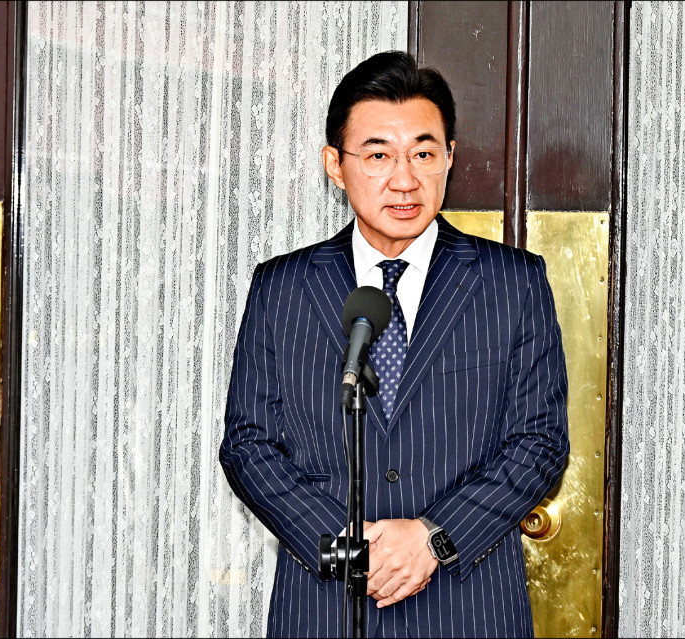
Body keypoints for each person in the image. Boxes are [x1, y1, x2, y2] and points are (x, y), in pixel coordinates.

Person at [219, 51, 569, 638]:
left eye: (423, 154)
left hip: (469, 607)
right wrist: (346, 546)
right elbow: (248, 444)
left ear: (449, 157)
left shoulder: (513, 283)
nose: (404, 180)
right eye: (378, 155)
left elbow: (540, 442)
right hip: (326, 608)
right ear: (335, 164)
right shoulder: (282, 288)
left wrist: (433, 538)